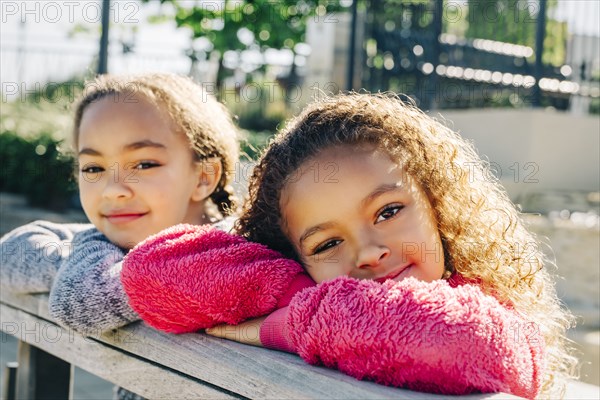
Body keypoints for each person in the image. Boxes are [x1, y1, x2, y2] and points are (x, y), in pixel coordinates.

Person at [121, 93, 577, 398]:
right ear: (295, 256)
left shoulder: (486, 306)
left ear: (437, 205)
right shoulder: (309, 291)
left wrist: (282, 325)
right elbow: (149, 273)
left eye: (388, 212)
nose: (367, 252)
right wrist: (295, 292)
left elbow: (462, 341)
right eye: (327, 243)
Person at [0, 72, 240, 399]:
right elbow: (7, 255)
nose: (113, 190)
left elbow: (80, 299)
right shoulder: (121, 244)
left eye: (143, 164)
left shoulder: (232, 254)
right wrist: (85, 251)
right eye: (93, 168)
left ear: (203, 176)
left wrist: (86, 251)